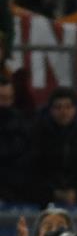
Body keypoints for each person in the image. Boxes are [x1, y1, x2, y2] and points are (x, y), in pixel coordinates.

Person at [27, 87, 77, 208]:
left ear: (75, 109)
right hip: (46, 191)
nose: (63, 112)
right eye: (58, 107)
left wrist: (76, 190)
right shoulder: (39, 132)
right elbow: (34, 170)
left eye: (68, 107)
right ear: (51, 110)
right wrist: (55, 193)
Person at [0, 74, 30, 204]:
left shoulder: (20, 120)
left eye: (9, 98)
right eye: (1, 98)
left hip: (14, 185)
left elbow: (26, 153)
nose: (6, 103)